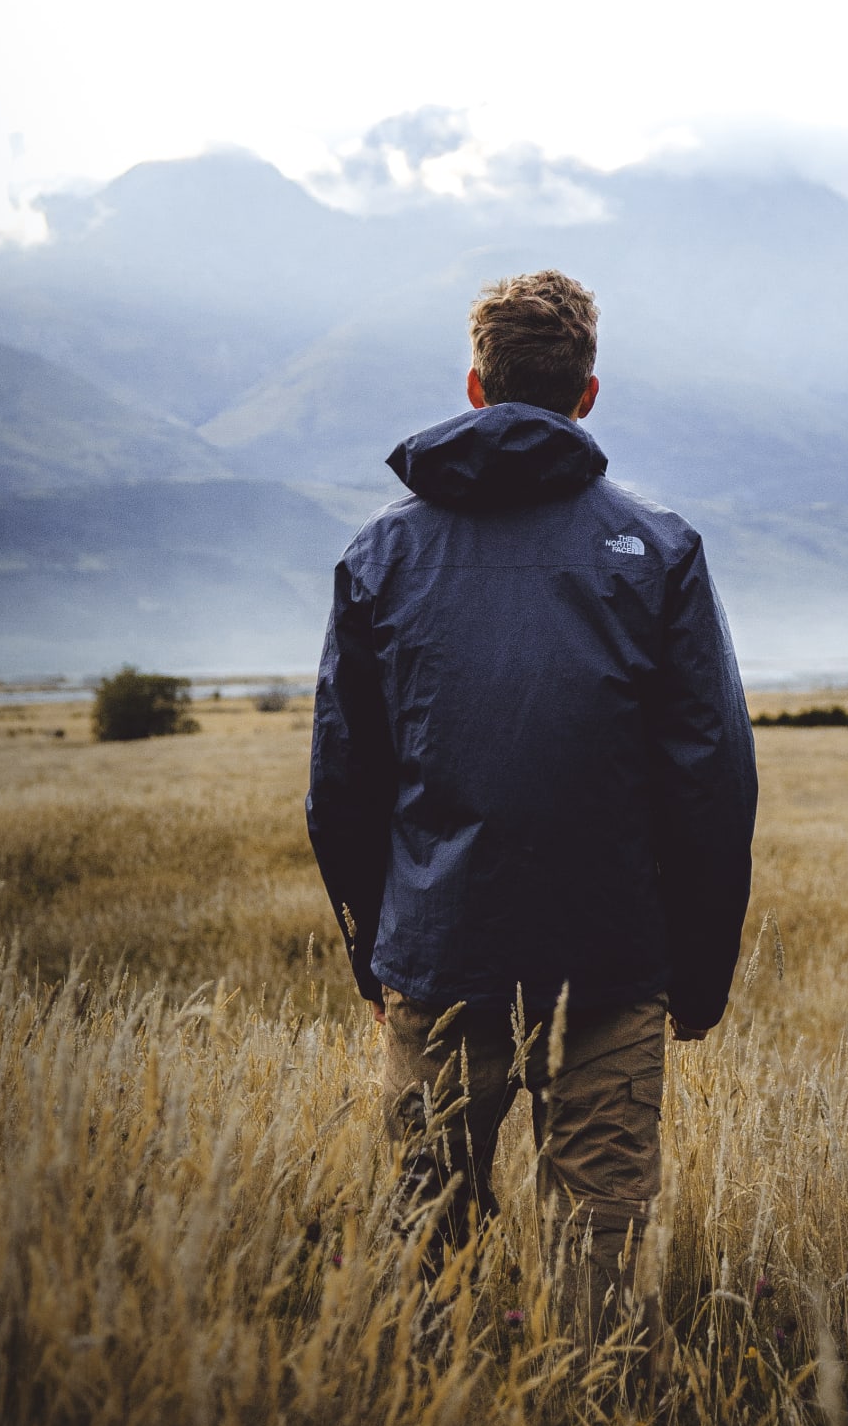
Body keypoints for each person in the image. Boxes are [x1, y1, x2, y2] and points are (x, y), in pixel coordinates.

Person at [306, 269, 756, 1350]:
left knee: (429, 1245)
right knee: (598, 1261)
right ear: (587, 395)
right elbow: (713, 783)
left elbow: (340, 788)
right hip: (611, 970)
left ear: (474, 386)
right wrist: (693, 976)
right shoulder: (657, 553)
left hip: (438, 959)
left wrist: (375, 954)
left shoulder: (380, 556)